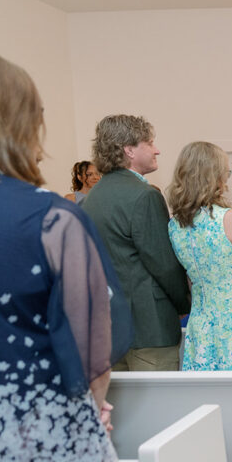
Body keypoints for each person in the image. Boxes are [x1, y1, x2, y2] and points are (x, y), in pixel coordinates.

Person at [0, 52, 132, 462]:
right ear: (24, 125)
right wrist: (94, 405)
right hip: (34, 456)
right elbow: (94, 356)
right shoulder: (52, 221)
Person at [82, 114, 190, 371]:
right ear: (129, 150)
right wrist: (184, 303)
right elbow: (163, 265)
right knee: (160, 408)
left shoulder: (92, 197)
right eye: (149, 143)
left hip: (111, 328)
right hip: (150, 327)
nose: (157, 150)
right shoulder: (144, 196)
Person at [166, 141, 232, 371]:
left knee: (210, 395)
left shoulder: (175, 224)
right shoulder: (230, 219)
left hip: (202, 323)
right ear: (214, 176)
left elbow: (189, 277)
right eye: (226, 172)